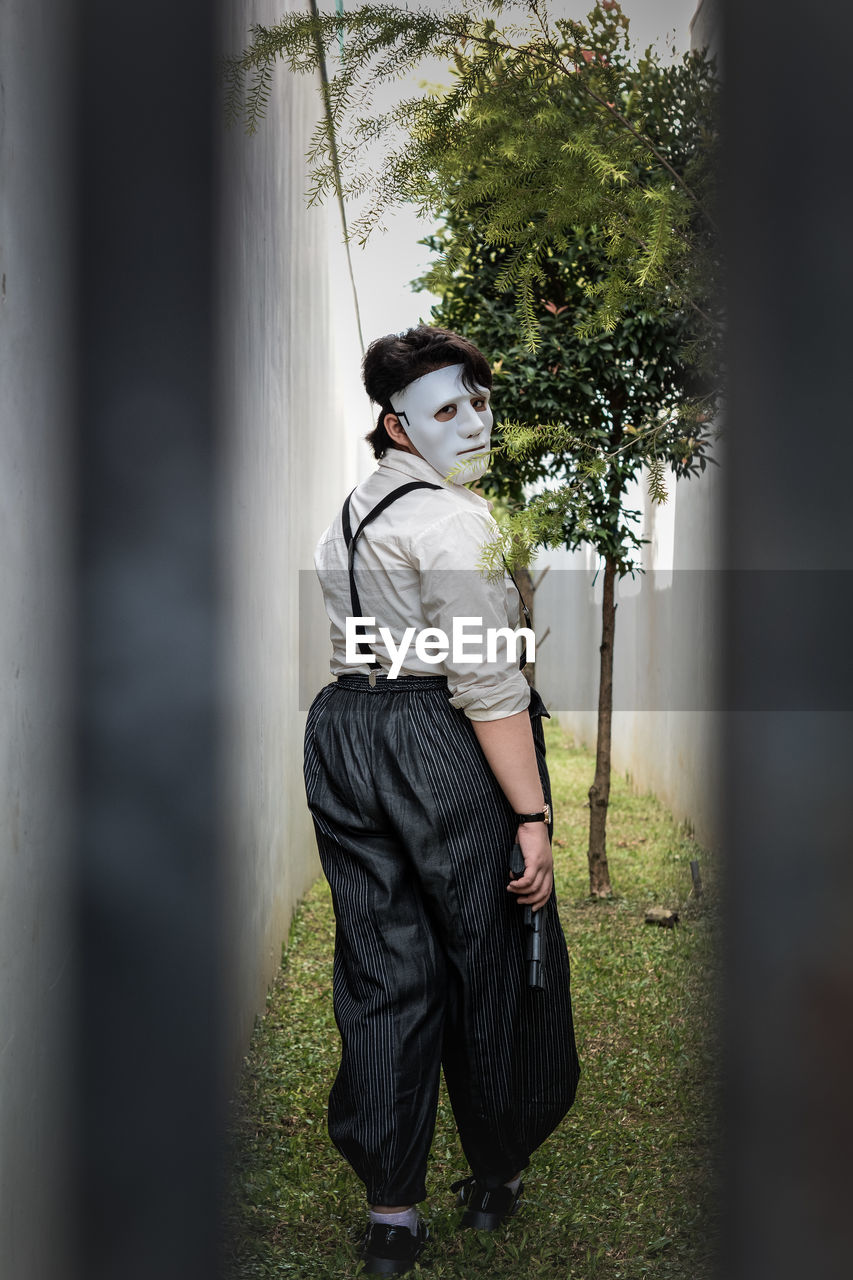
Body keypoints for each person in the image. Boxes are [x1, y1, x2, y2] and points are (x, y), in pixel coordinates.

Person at [303, 325, 580, 1276]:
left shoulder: (351, 511)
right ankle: (497, 1169)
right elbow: (486, 683)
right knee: (493, 951)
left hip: (343, 730)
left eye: (479, 402)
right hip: (435, 737)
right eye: (447, 410)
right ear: (396, 424)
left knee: (383, 971)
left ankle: (392, 1215)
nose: (473, 422)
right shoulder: (454, 522)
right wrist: (534, 820)